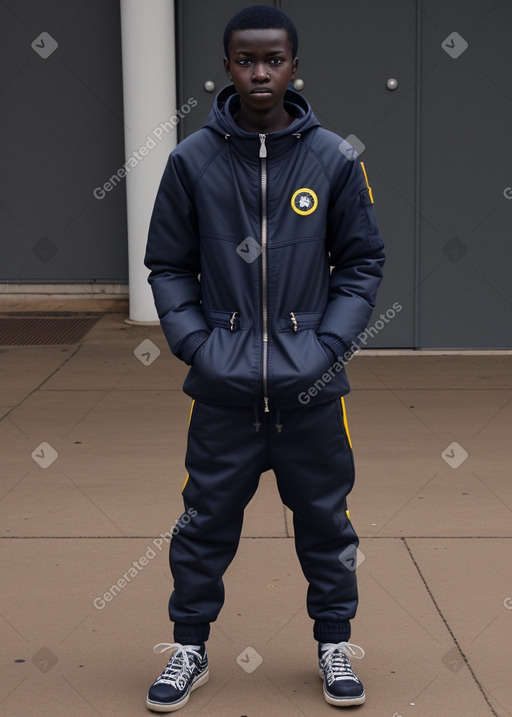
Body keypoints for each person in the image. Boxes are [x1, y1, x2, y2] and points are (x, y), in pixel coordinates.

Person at [144, 4, 385, 712]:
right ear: (226, 66)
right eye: (246, 60)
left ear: (294, 65)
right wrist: (198, 345)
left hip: (312, 392)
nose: (259, 72)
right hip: (223, 394)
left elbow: (363, 263)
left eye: (272, 59)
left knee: (327, 522)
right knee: (204, 520)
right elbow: (167, 265)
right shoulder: (192, 160)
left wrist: (326, 346)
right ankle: (189, 645)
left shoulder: (335, 158)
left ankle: (334, 642)